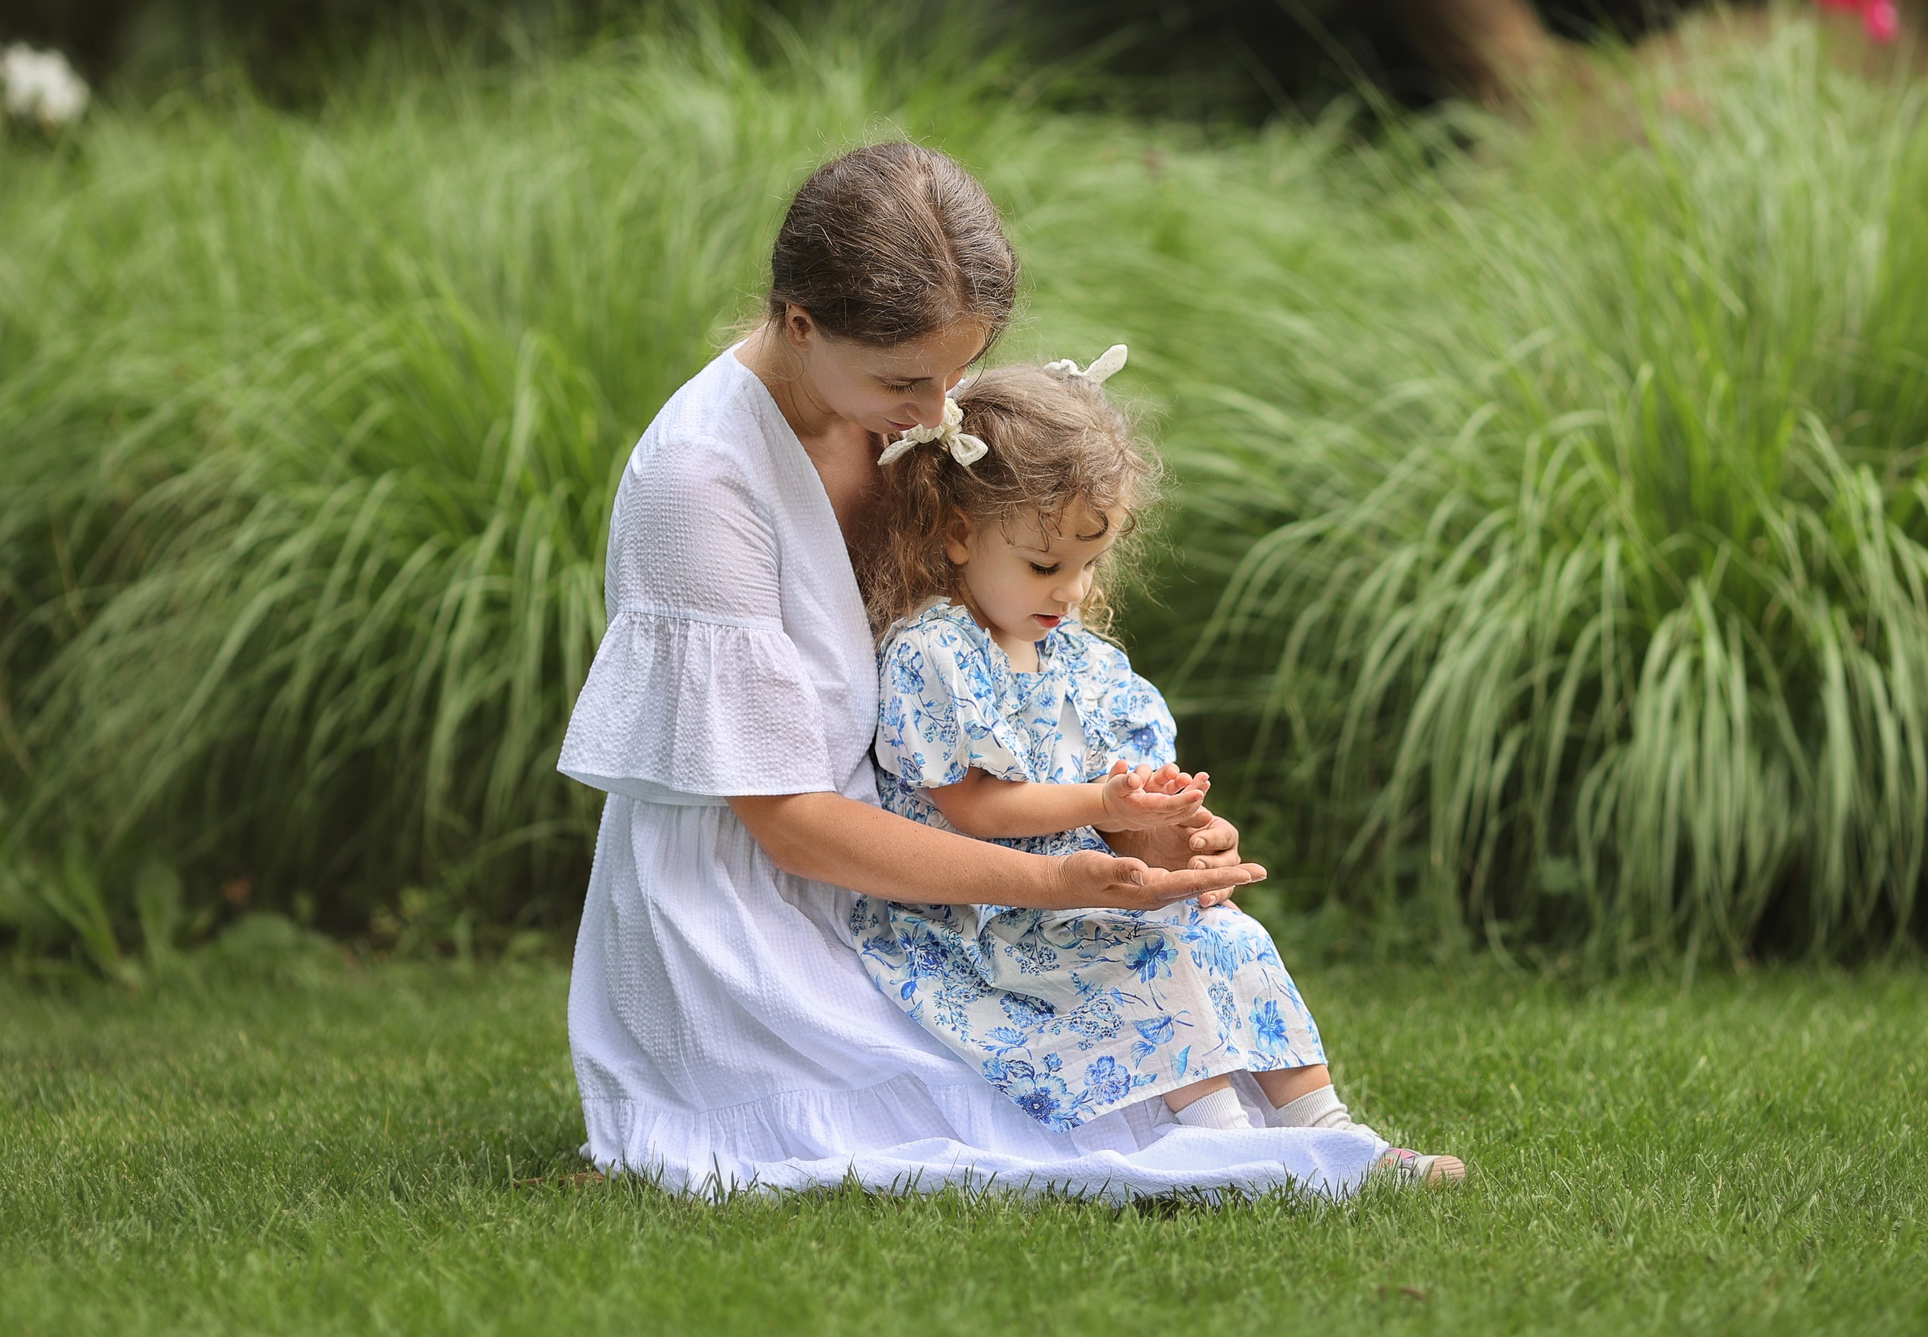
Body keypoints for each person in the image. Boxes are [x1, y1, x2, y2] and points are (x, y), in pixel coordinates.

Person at [557, 141, 1386, 1199]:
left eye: (955, 369)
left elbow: (999, 674)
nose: (938, 406)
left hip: (922, 857)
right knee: (1060, 1120)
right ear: (798, 324)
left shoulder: (907, 424)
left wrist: (1133, 829)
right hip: (754, 901)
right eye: (906, 378)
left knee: (1147, 1007)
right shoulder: (700, 482)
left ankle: (1270, 1121)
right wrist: (1053, 880)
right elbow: (788, 819)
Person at [847, 350, 1466, 1185]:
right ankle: (1233, 1155)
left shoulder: (1084, 665)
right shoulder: (938, 653)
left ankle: (1332, 1130)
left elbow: (1123, 814)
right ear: (959, 532)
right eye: (1042, 564)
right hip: (982, 918)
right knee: (1149, 956)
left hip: (1083, 893)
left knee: (1230, 934)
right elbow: (974, 807)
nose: (1068, 591)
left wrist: (1173, 826)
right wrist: (1103, 797)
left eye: (1086, 565)